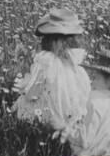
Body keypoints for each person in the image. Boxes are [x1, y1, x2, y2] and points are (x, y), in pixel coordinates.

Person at [13, 8, 91, 136]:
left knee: (27, 101)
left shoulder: (46, 61)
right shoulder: (74, 61)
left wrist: (24, 89)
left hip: (48, 113)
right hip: (71, 112)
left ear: (49, 39)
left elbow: (33, 92)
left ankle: (39, 124)